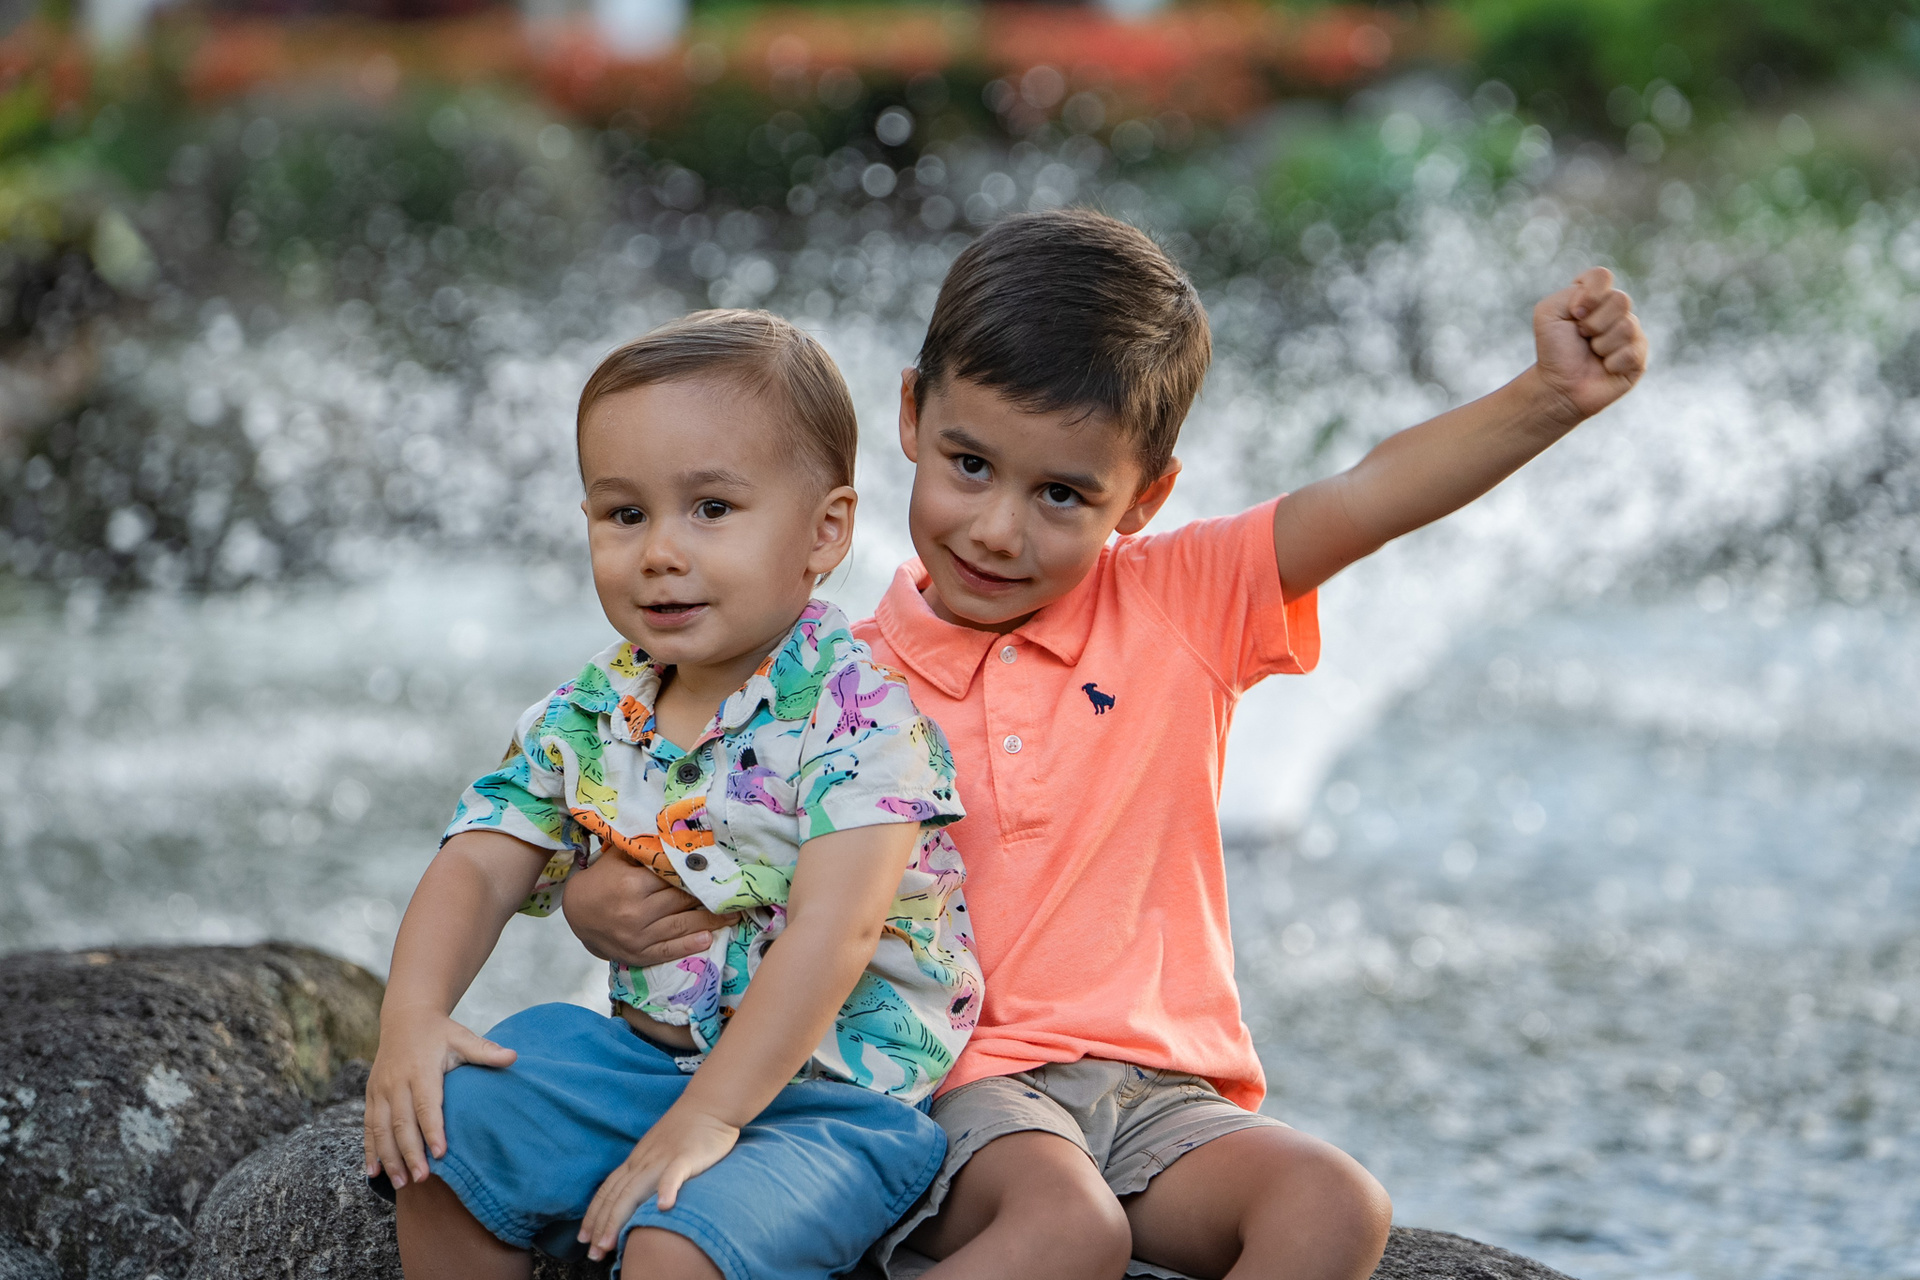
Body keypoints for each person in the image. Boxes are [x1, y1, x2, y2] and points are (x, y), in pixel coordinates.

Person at [563, 209, 1651, 1280]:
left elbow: (1369, 494)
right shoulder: (831, 680)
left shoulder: (1186, 601)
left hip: (1162, 1090)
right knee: (1067, 1226)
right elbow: (703, 839)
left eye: (1062, 494)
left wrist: (1549, 396)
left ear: (1146, 494)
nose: (998, 528)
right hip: (954, 1085)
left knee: (1336, 1202)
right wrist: (592, 899)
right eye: (970, 464)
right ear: (912, 413)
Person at [361, 309, 983, 1280]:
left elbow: (836, 932)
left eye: (712, 509)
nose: (659, 551)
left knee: (674, 1239)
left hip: (828, 1104)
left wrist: (709, 1116)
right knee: (440, 1135)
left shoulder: (860, 719)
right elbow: (480, 860)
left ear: (825, 530)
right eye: (625, 515)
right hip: (640, 1066)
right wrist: (411, 1015)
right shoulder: (591, 709)